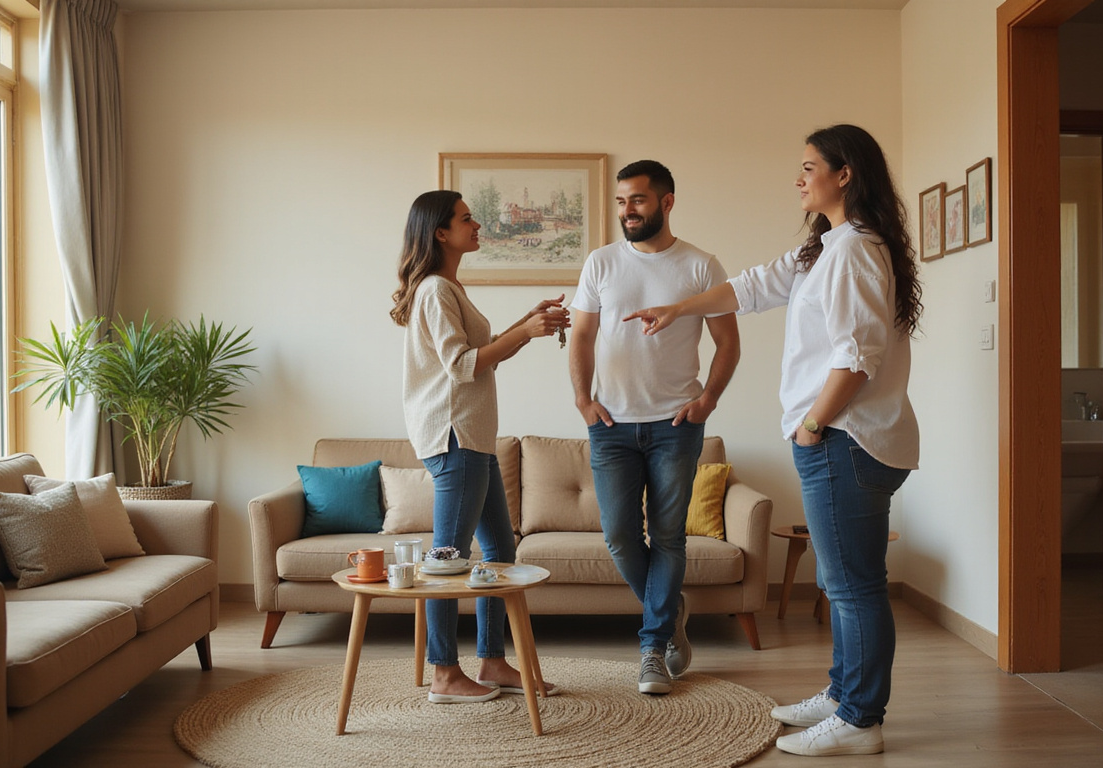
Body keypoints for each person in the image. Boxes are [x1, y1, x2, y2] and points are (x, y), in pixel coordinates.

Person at [624, 125, 921, 755]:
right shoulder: (827, 248)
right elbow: (751, 286)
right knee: (847, 582)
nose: (799, 178)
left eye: (809, 166)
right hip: (839, 439)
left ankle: (861, 719)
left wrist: (813, 425)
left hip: (844, 438)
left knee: (852, 586)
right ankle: (843, 694)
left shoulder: (856, 250)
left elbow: (857, 356)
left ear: (844, 175)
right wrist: (680, 309)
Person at [568, 160, 740, 695]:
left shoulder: (701, 266)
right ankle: (671, 606)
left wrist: (707, 400)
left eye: (638, 200)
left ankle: (652, 647)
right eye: (621, 202)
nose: (627, 211)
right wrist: (583, 401)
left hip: (675, 424)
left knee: (667, 537)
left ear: (666, 202)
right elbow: (581, 337)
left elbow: (729, 343)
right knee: (620, 537)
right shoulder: (601, 262)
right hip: (611, 425)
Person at [391, 189, 567, 703]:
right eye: (467, 219)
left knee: (500, 551)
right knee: (447, 559)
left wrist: (525, 325)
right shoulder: (435, 291)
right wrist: (526, 333)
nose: (478, 225)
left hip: (473, 440)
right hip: (455, 438)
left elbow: (475, 353)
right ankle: (445, 673)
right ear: (440, 232)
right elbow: (462, 366)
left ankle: (491, 661)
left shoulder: (449, 286)